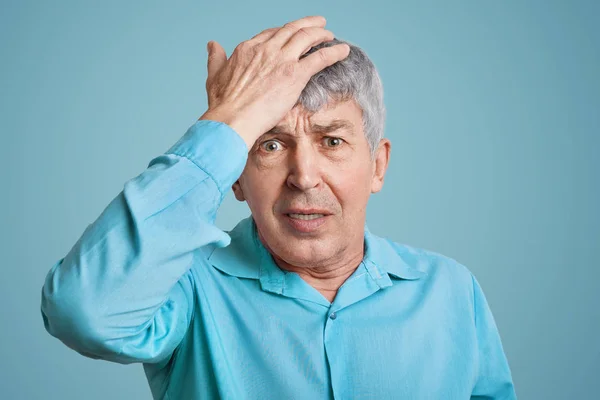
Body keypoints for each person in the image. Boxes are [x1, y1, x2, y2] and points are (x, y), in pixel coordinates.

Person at [40, 15, 517, 399]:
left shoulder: (452, 291)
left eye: (331, 141)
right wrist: (226, 122)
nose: (304, 176)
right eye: (269, 145)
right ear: (236, 177)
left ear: (377, 165)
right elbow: (81, 312)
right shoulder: (185, 288)